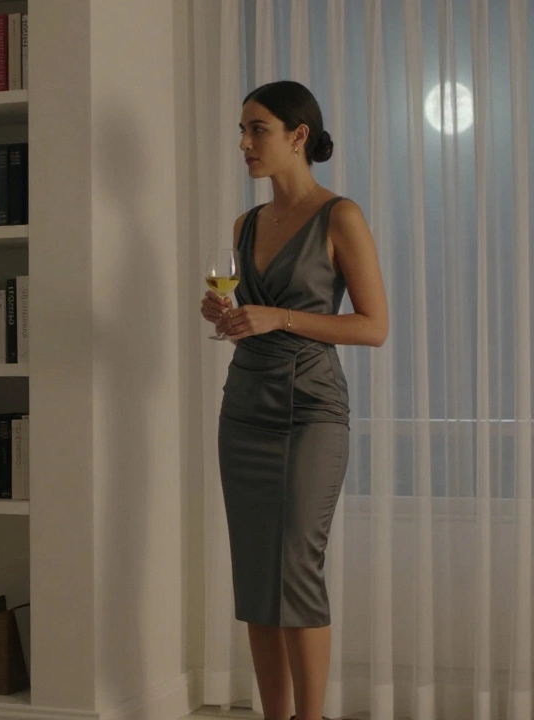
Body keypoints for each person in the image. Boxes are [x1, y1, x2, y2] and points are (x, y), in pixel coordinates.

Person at [201, 80, 388, 720]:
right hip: (243, 407)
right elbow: (251, 316)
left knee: (296, 572)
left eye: (258, 129)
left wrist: (277, 317)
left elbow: (373, 326)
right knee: (257, 577)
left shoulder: (341, 216)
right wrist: (228, 315)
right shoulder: (245, 223)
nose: (245, 143)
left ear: (298, 136)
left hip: (310, 410)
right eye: (243, 130)